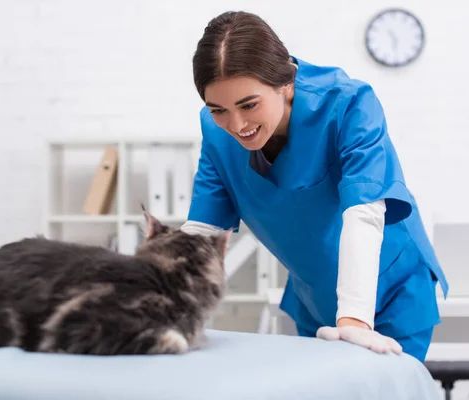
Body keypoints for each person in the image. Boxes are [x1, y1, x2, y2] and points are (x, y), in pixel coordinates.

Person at [180, 10, 448, 363]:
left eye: (249, 104)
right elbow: (201, 234)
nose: (236, 123)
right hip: (315, 294)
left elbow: (364, 211)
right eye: (219, 109)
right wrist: (157, 307)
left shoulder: (348, 105)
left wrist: (354, 319)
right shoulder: (216, 131)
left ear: (286, 84)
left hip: (392, 288)